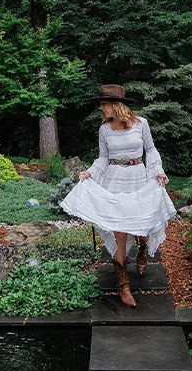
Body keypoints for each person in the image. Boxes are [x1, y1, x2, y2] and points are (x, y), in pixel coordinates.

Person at [60, 84, 177, 307]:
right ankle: (123, 285)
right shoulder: (105, 130)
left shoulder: (141, 124)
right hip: (114, 181)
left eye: (103, 104)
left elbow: (151, 151)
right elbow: (103, 158)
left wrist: (158, 172)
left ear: (116, 105)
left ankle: (143, 249)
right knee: (120, 234)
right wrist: (90, 172)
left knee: (142, 229)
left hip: (138, 178)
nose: (101, 108)